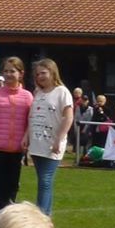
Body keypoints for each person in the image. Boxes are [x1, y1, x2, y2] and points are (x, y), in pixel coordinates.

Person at [0, 56, 33, 210]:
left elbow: (31, 120)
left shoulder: (27, 96)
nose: (9, 74)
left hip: (17, 149)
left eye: (12, 71)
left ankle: (9, 216)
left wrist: (26, 138)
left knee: (13, 186)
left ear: (21, 74)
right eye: (6, 71)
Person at [25, 58, 74, 216]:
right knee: (44, 180)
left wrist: (59, 139)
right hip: (37, 143)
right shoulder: (37, 93)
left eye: (43, 73)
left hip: (52, 143)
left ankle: (41, 215)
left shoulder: (62, 92)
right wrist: (26, 136)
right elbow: (32, 116)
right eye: (37, 74)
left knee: (45, 180)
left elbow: (68, 117)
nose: (40, 76)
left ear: (53, 73)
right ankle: (46, 215)